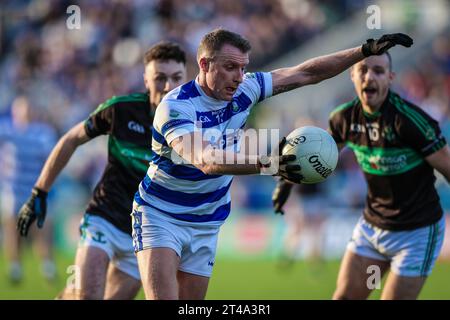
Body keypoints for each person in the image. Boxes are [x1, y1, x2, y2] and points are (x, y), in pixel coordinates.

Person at [131, 28, 413, 300]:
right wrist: (273, 163)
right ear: (204, 64)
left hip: (207, 219)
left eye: (243, 68)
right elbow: (207, 160)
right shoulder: (177, 106)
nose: (239, 77)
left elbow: (306, 73)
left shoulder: (247, 88)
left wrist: (362, 51)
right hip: (161, 214)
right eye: (230, 67)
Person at [272, 51, 450, 300]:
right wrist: (286, 184)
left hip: (417, 232)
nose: (370, 77)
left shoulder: (411, 121)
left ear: (390, 78)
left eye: (378, 71)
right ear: (352, 75)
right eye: (363, 70)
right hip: (372, 226)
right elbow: (315, 158)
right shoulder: (344, 118)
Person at [16, 42, 188, 299]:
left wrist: (270, 167)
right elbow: (71, 139)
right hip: (104, 218)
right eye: (160, 78)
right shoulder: (121, 110)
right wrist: (39, 192)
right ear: (145, 80)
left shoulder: (194, 125)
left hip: (146, 235)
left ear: (186, 80)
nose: (167, 86)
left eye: (176, 78)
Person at [0, 96, 57, 283]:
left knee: (42, 226)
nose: (26, 113)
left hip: (35, 189)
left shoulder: (43, 132)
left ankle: (47, 265)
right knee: (13, 227)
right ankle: (15, 266)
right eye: (21, 109)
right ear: (15, 111)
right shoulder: (7, 129)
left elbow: (50, 159)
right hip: (12, 188)